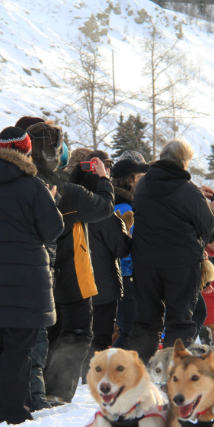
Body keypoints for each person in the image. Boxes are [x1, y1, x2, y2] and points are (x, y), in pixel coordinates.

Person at [0, 127, 64, 424]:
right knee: (19, 349)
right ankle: (13, 413)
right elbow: (52, 230)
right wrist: (51, 201)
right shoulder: (33, 186)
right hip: (27, 275)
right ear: (25, 151)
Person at [27, 122, 114, 405]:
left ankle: (37, 388)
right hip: (71, 268)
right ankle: (58, 389)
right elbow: (102, 206)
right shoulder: (63, 190)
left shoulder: (27, 182)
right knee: (77, 330)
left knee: (50, 329)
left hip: (38, 269)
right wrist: (103, 180)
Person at [127, 138, 214, 363]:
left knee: (146, 321)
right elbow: (207, 225)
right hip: (180, 264)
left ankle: (139, 373)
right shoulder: (188, 191)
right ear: (184, 162)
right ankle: (172, 372)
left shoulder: (144, 184)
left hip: (145, 262)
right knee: (179, 322)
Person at [85, 157, 138, 368]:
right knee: (107, 335)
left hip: (78, 281)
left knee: (82, 335)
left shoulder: (68, 199)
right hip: (108, 281)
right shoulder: (106, 207)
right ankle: (93, 379)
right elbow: (122, 247)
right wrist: (124, 228)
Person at [111, 152, 147, 349]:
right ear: (130, 180)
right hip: (128, 274)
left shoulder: (122, 202)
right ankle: (113, 371)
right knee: (129, 329)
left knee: (128, 328)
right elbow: (131, 246)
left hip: (124, 274)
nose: (142, 182)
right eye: (139, 178)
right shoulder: (126, 208)